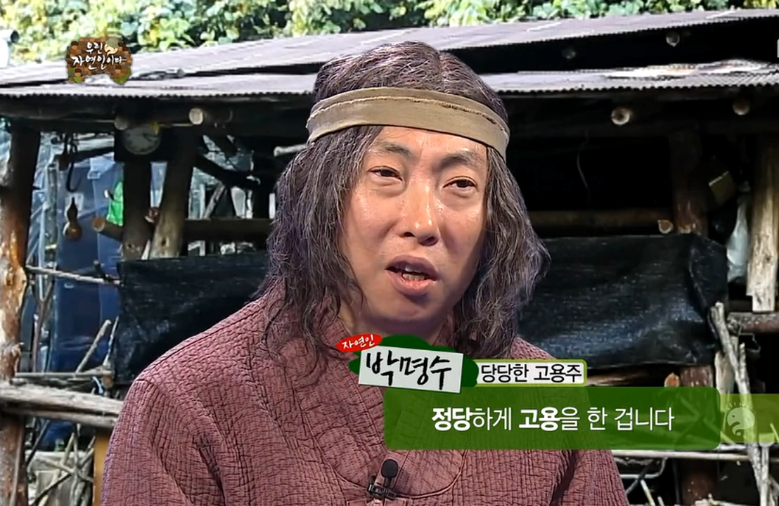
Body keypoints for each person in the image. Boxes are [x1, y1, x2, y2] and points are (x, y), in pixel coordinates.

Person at [101, 41, 628, 506]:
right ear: (321, 197)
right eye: (386, 174)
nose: (423, 223)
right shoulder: (184, 404)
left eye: (461, 185)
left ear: (495, 220)